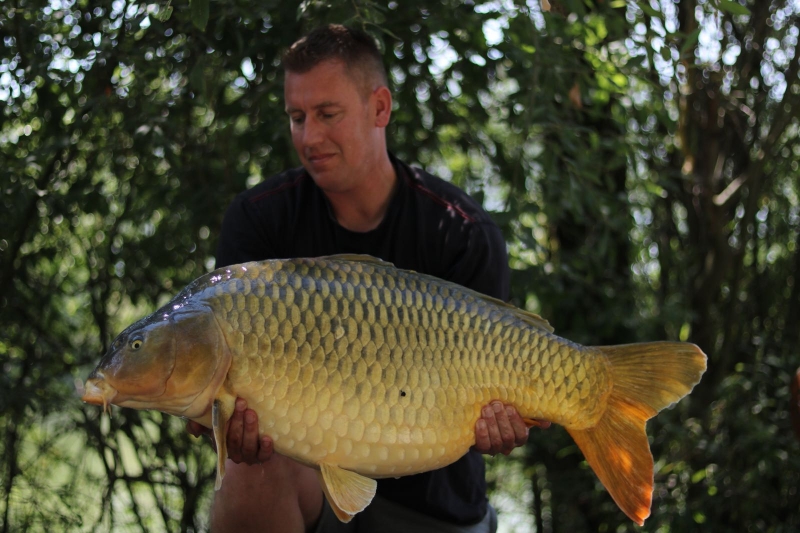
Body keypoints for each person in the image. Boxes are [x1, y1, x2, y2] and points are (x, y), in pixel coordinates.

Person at [187, 24, 549, 533]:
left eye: (328, 114)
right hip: (310, 490)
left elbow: (497, 398)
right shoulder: (259, 220)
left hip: (436, 508)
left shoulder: (461, 233)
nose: (310, 137)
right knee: (248, 470)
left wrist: (507, 419)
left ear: (379, 108)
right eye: (297, 117)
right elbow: (222, 406)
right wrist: (217, 425)